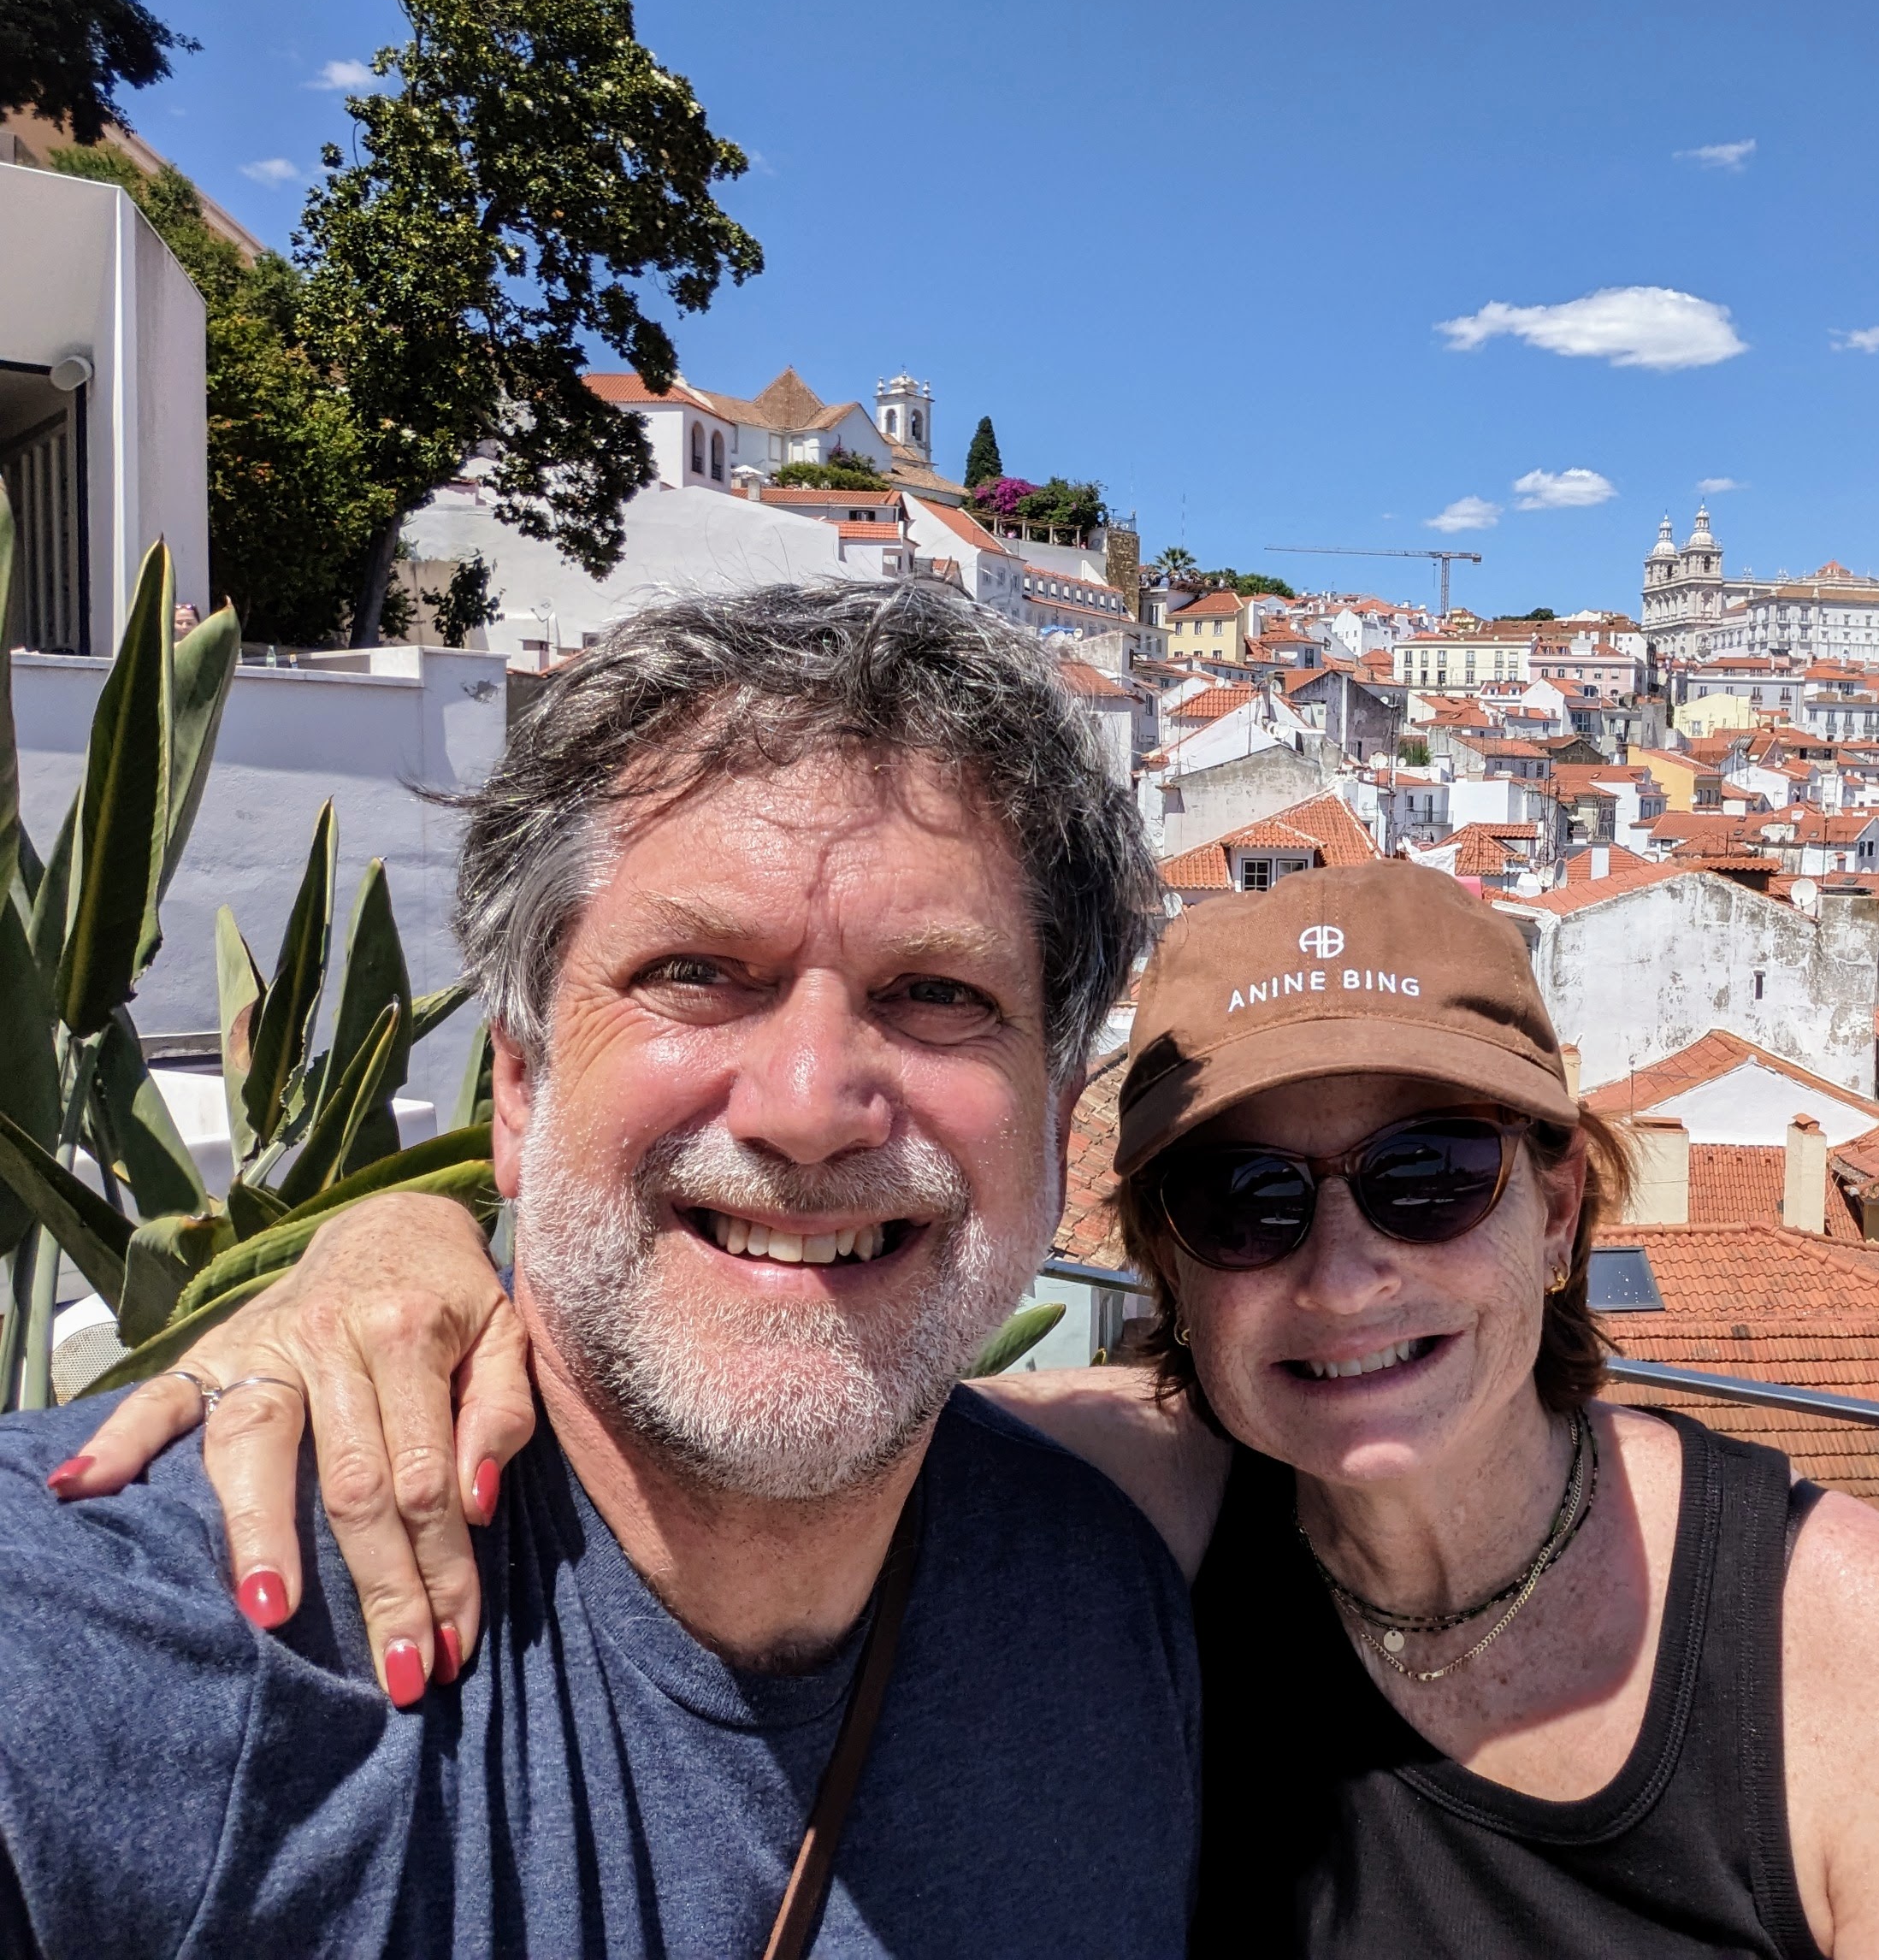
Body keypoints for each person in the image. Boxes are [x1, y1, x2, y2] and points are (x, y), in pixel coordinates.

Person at [77, 860, 1879, 1956]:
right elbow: (747, 1375)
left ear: (1558, 1208)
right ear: (1168, 1270)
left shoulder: (1829, 1636)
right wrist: (402, 1262)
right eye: (1249, 1200)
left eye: (1428, 1179)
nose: (1346, 1271)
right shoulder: (1140, 1500)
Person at [4, 581, 1200, 1956]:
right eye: (698, 972)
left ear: (1055, 1130)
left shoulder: (1108, 1616)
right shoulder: (131, 1643)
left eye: (936, 993)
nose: (809, 1103)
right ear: (519, 1088)